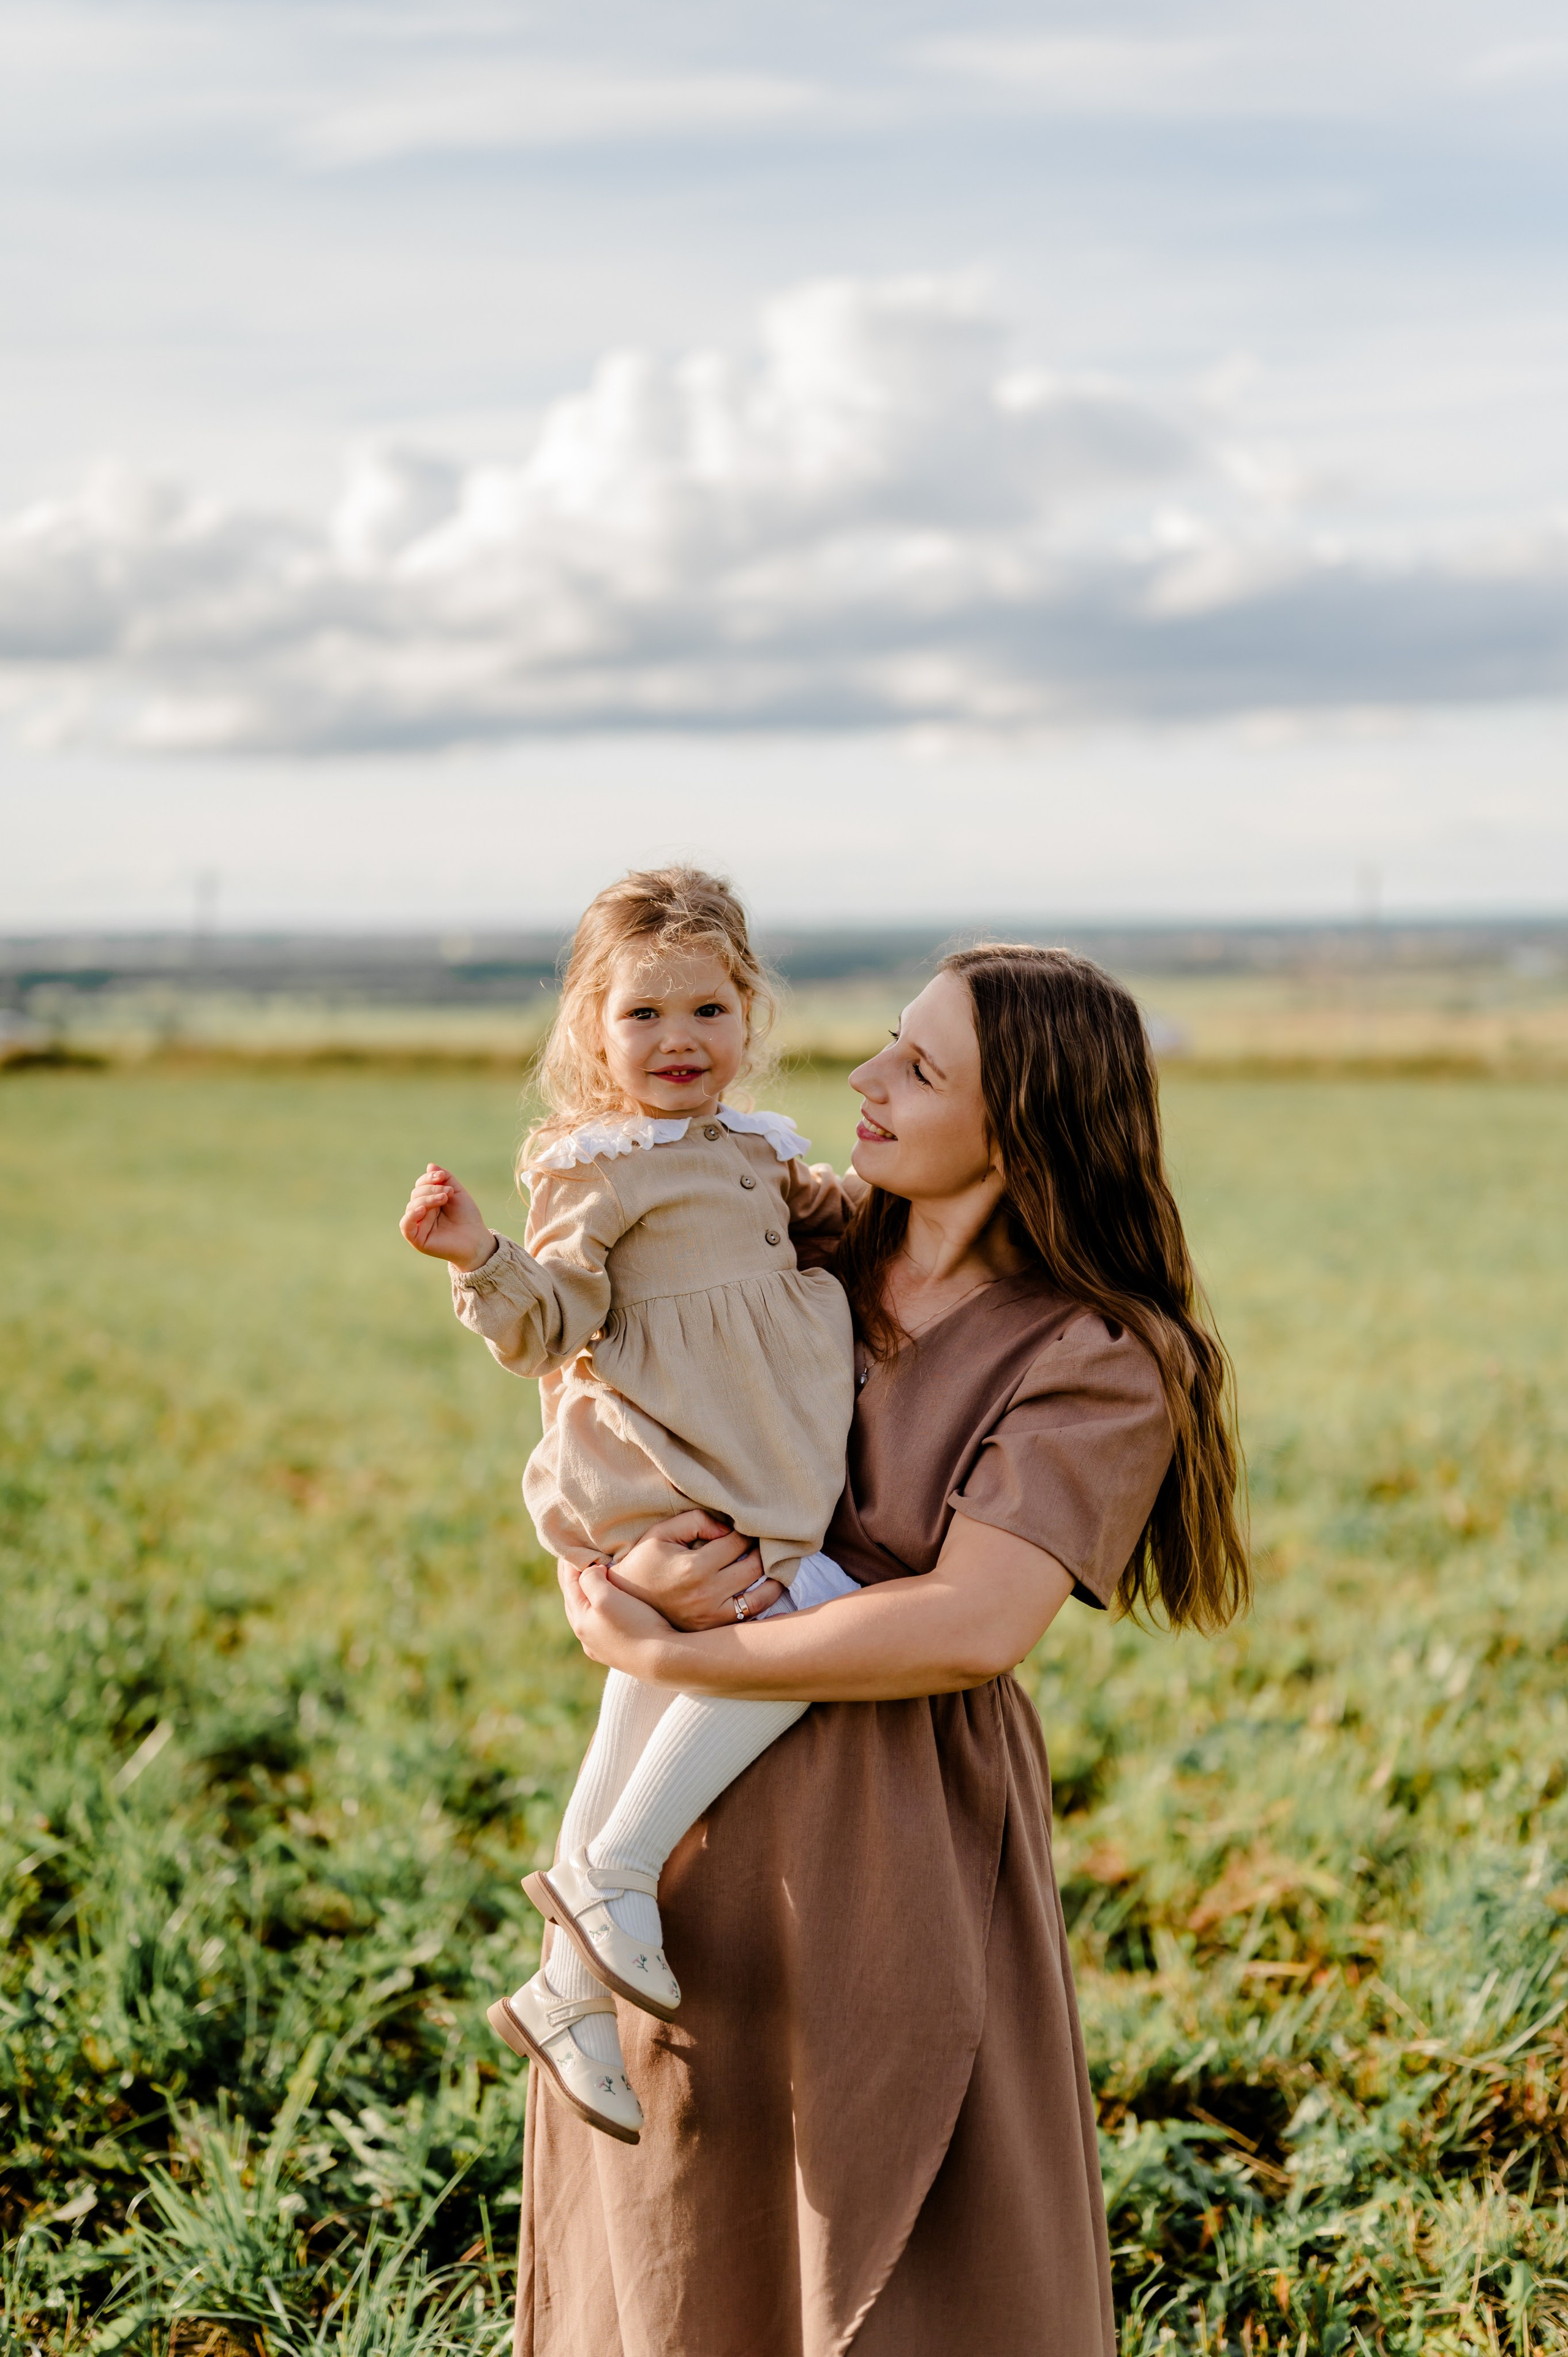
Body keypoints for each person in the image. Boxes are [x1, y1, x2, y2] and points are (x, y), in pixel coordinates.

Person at [518, 941, 1249, 2357]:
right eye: (885, 1042)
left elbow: (970, 1621)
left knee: (913, 2253)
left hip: (900, 1841)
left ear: (1020, 1118)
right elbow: (590, 1405)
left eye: (917, 1065)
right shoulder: (778, 1237)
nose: (864, 1075)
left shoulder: (1095, 1349)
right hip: (681, 1835)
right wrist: (610, 1572)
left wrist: (680, 1659)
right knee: (682, 2233)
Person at [399, 867, 864, 2144]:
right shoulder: (597, 1167)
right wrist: (475, 1256)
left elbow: (822, 1233)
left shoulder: (757, 1151)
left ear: (748, 1014)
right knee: (799, 1624)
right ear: (592, 1033)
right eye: (643, 1017)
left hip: (747, 1451)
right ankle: (610, 1870)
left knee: (653, 1688)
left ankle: (563, 1990)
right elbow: (552, 1323)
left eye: (708, 1011)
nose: (678, 1042)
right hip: (676, 1463)